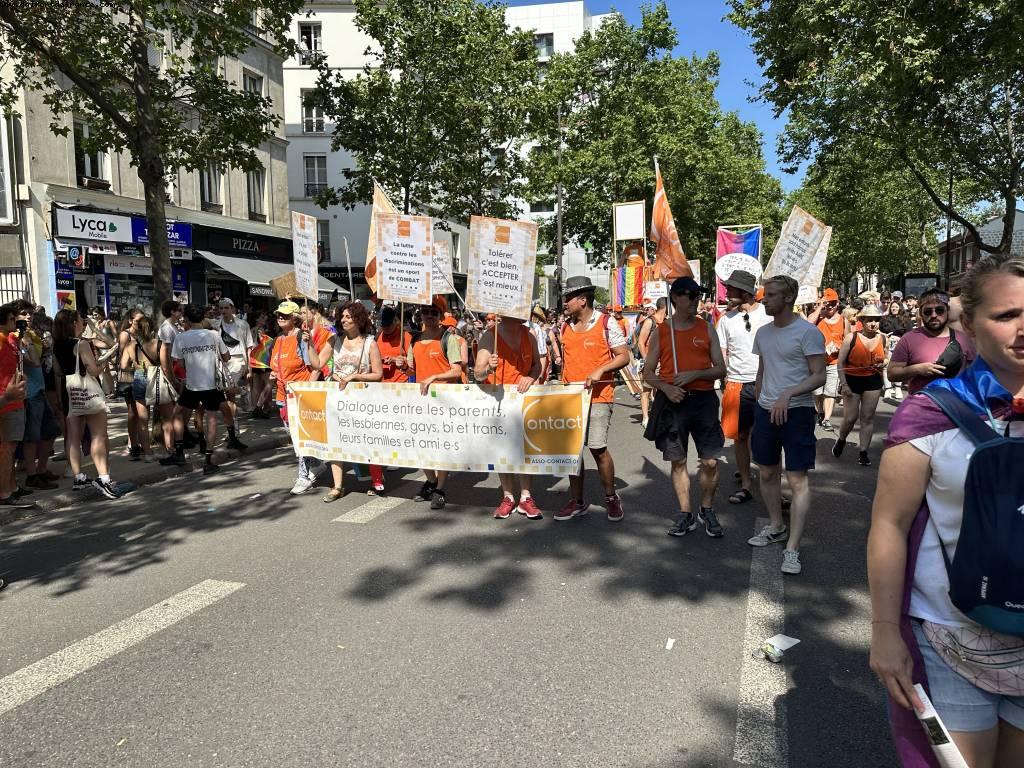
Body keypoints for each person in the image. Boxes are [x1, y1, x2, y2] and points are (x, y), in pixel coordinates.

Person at [868, 257, 1024, 767]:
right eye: (1007, 315)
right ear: (970, 327)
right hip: (950, 638)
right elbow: (889, 525)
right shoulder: (930, 413)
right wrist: (885, 631)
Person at [746, 275, 826, 575]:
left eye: (772, 295)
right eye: (765, 295)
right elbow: (763, 369)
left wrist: (788, 394)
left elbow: (819, 375)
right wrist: (760, 399)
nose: (764, 299)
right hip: (766, 411)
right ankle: (776, 525)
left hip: (797, 412)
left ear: (788, 298)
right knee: (766, 472)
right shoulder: (763, 333)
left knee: (797, 481)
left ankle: (792, 548)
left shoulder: (807, 332)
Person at [643, 277, 727, 538]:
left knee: (711, 461)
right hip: (673, 403)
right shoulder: (662, 331)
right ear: (676, 298)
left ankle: (707, 509)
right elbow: (647, 372)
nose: (695, 301)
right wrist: (667, 388)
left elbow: (721, 369)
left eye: (697, 296)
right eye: (690, 296)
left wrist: (694, 375)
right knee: (678, 460)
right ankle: (685, 513)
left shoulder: (706, 328)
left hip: (703, 401)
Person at [554, 276, 631, 522]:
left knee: (597, 448)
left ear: (583, 300)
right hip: (571, 398)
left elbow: (624, 356)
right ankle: (576, 501)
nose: (565, 302)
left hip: (599, 397)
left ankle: (610, 497)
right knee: (573, 451)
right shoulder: (565, 326)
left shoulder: (607, 323)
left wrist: (600, 370)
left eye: (569, 298)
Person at [475, 313, 543, 520]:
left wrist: (530, 377)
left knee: (525, 448)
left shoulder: (529, 335)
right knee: (503, 451)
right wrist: (489, 368)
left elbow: (537, 366)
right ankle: (507, 496)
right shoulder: (489, 336)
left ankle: (525, 497)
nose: (526, 313)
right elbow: (477, 374)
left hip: (523, 401)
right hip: (499, 402)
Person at [51, 309, 122, 499]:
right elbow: (93, 370)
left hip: (70, 393)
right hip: (88, 392)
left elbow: (58, 371)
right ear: (74, 323)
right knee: (99, 435)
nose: (83, 322)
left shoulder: (56, 345)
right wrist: (104, 363)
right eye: (81, 320)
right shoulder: (81, 344)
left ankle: (79, 477)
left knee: (73, 437)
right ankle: (104, 478)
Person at [161, 304, 240, 474]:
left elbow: (179, 363)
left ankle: (180, 452)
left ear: (187, 319)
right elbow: (226, 357)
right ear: (203, 317)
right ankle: (208, 460)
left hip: (191, 385)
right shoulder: (213, 335)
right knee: (211, 419)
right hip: (211, 385)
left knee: (178, 415)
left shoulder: (181, 338)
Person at [717, 270, 772, 505]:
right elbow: (722, 354)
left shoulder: (768, 316)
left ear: (745, 291)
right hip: (737, 385)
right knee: (740, 438)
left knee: (768, 436)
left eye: (731, 288)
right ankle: (747, 484)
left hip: (767, 384)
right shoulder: (726, 320)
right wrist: (722, 379)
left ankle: (773, 485)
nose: (726, 292)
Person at [270, 300, 334, 494]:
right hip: (282, 396)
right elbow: (278, 365)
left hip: (299, 396)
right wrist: (274, 375)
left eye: (285, 315)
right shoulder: (278, 339)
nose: (280, 318)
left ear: (295, 319)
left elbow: (315, 367)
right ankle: (317, 464)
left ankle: (303, 476)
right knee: (294, 435)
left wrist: (308, 390)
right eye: (279, 315)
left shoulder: (301, 338)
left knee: (300, 438)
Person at [407, 296, 465, 510]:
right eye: (425, 312)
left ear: (440, 316)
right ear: (420, 315)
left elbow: (457, 370)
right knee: (422, 444)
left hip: (444, 401)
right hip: (422, 401)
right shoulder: (415, 340)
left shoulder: (447, 338)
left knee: (441, 446)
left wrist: (434, 377)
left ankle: (440, 488)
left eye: (433, 312)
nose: (429, 316)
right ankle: (430, 481)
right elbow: (411, 370)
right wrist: (402, 365)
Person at [323, 301, 383, 502]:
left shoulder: (370, 343)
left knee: (367, 440)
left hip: (363, 401)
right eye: (342, 316)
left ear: (358, 319)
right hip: (338, 399)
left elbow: (378, 374)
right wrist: (306, 344)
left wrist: (356, 377)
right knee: (335, 440)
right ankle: (337, 486)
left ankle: (376, 480)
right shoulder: (334, 340)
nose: (344, 319)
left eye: (348, 316)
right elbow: (316, 363)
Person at [888, 287, 976, 396]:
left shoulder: (963, 339)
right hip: (920, 408)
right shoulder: (908, 339)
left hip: (956, 408)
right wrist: (918, 369)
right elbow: (891, 374)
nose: (934, 315)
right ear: (920, 313)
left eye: (939, 310)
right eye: (928, 311)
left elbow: (974, 374)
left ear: (947, 310)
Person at [833, 305, 888, 466]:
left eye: (876, 320)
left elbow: (887, 357)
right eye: (869, 320)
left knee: (867, 418)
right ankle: (842, 440)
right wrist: (844, 384)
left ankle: (863, 452)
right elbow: (840, 363)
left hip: (872, 380)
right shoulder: (852, 338)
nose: (873, 323)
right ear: (862, 321)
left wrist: (883, 363)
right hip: (851, 379)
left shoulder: (883, 337)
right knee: (850, 418)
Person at [118, 314, 161, 462]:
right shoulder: (158, 343)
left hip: (140, 376)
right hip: (155, 376)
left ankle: (147, 453)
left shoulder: (131, 345)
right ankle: (171, 449)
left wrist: (136, 367)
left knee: (143, 418)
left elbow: (123, 366)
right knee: (167, 415)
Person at [807, 288, 848, 431]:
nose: (829, 306)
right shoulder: (818, 317)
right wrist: (819, 307)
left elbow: (848, 341)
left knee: (830, 392)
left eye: (832, 303)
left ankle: (826, 419)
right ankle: (820, 411)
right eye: (827, 303)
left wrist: (839, 348)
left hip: (834, 362)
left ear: (837, 304)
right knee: (817, 392)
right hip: (817, 362)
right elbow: (808, 323)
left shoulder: (844, 321)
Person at [216, 298, 254, 447]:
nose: (223, 311)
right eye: (221, 308)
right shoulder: (216, 324)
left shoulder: (243, 325)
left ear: (232, 308)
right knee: (228, 396)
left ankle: (234, 429)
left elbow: (250, 347)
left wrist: (249, 368)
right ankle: (233, 428)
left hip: (238, 361)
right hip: (222, 362)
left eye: (226, 308)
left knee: (229, 391)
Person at [636, 297, 667, 429]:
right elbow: (641, 343)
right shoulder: (650, 321)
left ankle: (660, 415)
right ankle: (645, 417)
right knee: (647, 390)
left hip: (664, 362)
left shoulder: (667, 322)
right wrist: (648, 361)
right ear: (665, 307)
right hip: (651, 362)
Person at [880, 300, 912, 399]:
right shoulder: (884, 319)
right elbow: (879, 330)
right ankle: (888, 388)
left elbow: (909, 333)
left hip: (900, 345)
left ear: (900, 308)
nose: (894, 309)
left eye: (896, 307)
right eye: (892, 307)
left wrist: (900, 339)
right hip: (887, 345)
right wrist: (885, 336)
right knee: (886, 366)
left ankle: (898, 387)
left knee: (899, 367)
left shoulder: (906, 319)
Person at [248, 311, 275, 418]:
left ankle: (255, 408)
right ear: (256, 319)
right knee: (270, 383)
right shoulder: (260, 330)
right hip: (263, 361)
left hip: (255, 361)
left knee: (256, 386)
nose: (265, 318)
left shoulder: (251, 330)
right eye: (262, 316)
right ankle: (259, 407)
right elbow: (264, 344)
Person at [377, 306, 412, 383]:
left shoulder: (405, 336)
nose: (386, 328)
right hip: (382, 382)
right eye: (384, 325)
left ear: (395, 321)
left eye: (389, 325)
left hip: (400, 382)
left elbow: (412, 363)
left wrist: (394, 360)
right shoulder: (379, 336)